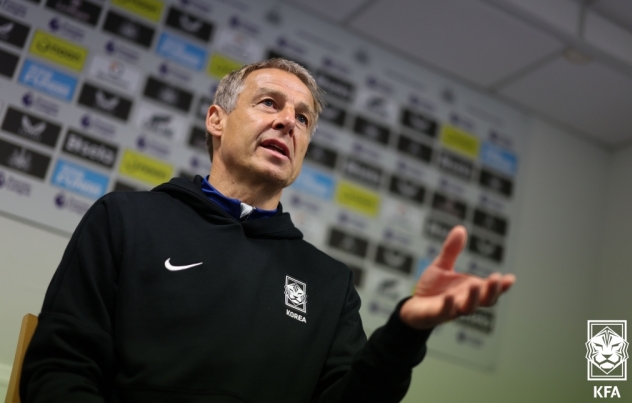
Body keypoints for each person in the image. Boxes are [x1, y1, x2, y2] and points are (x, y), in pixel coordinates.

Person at [20, 58, 515, 402]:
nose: (288, 122)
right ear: (217, 120)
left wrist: (407, 330)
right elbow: (60, 369)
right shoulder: (124, 219)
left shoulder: (329, 283)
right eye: (269, 104)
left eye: (303, 117)